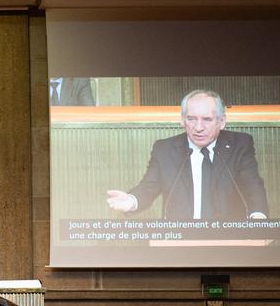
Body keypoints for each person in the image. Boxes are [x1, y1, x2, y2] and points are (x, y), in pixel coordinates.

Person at [107, 90, 268, 220]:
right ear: (183, 120)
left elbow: (252, 186)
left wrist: (258, 217)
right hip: (179, 241)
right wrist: (131, 200)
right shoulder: (165, 149)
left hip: (229, 241)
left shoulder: (239, 144)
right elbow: (148, 188)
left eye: (207, 119)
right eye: (191, 119)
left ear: (222, 121)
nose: (198, 127)